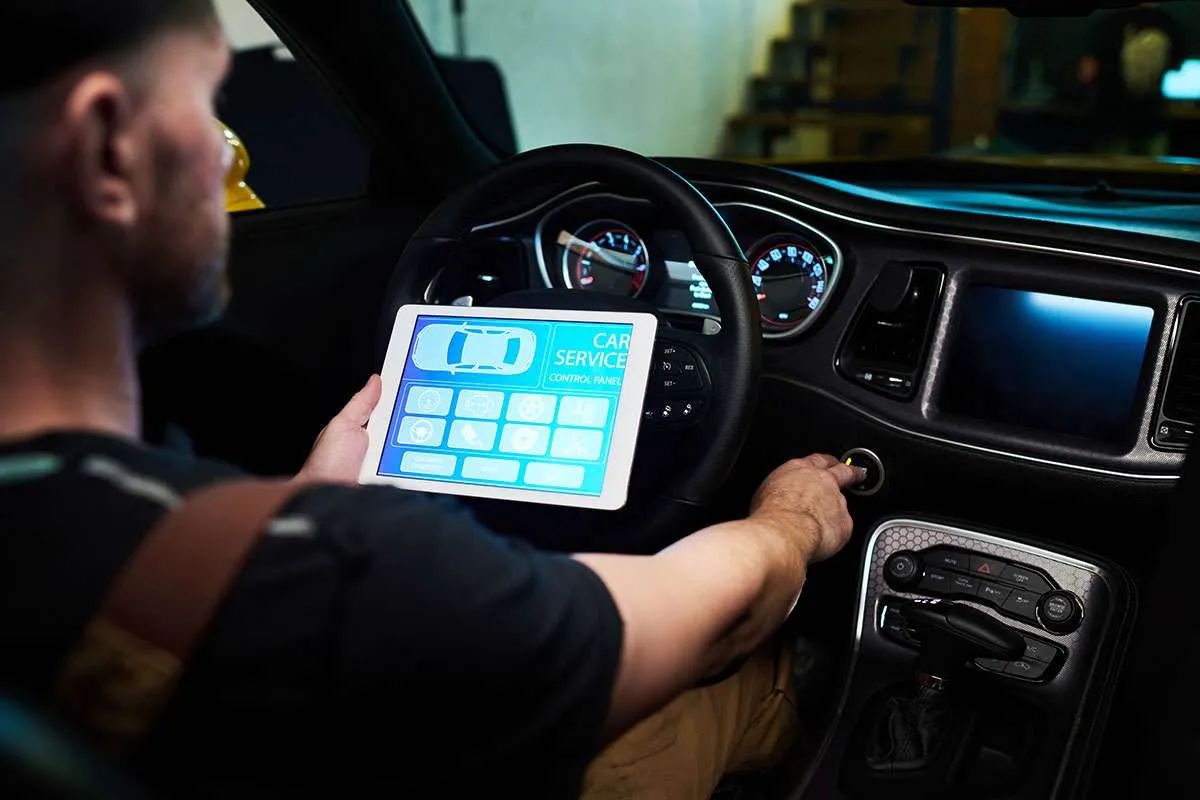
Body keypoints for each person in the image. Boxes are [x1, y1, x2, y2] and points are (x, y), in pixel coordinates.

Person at [0, 1, 862, 798]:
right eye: (209, 105)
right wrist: (789, 522)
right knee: (750, 681)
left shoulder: (118, 527)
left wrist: (300, 502)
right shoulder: (358, 576)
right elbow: (709, 625)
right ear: (108, 146)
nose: (233, 157)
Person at [1078, 3, 1187, 156]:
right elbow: (1178, 66)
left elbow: (1087, 73)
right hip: (1152, 118)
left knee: (1114, 167)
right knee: (1155, 167)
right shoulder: (1167, 23)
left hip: (1111, 118)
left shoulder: (1105, 24)